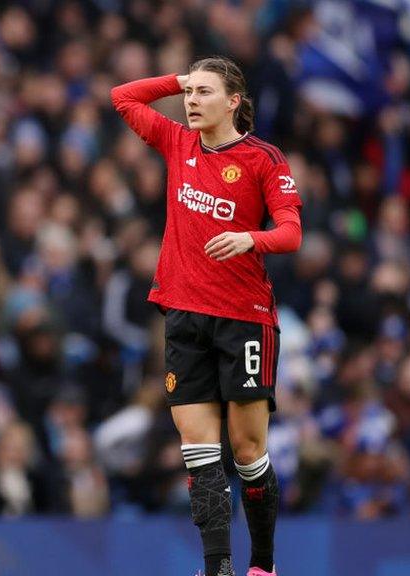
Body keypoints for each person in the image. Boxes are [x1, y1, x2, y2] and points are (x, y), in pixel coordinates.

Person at [112, 57, 303, 576]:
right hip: (182, 314)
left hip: (244, 317)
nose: (191, 101)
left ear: (234, 101)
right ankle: (217, 566)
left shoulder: (264, 159)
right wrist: (177, 79)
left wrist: (250, 237)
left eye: (204, 92)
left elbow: (291, 231)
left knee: (246, 452)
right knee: (198, 451)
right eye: (188, 92)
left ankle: (262, 565)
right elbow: (123, 97)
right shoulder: (178, 143)